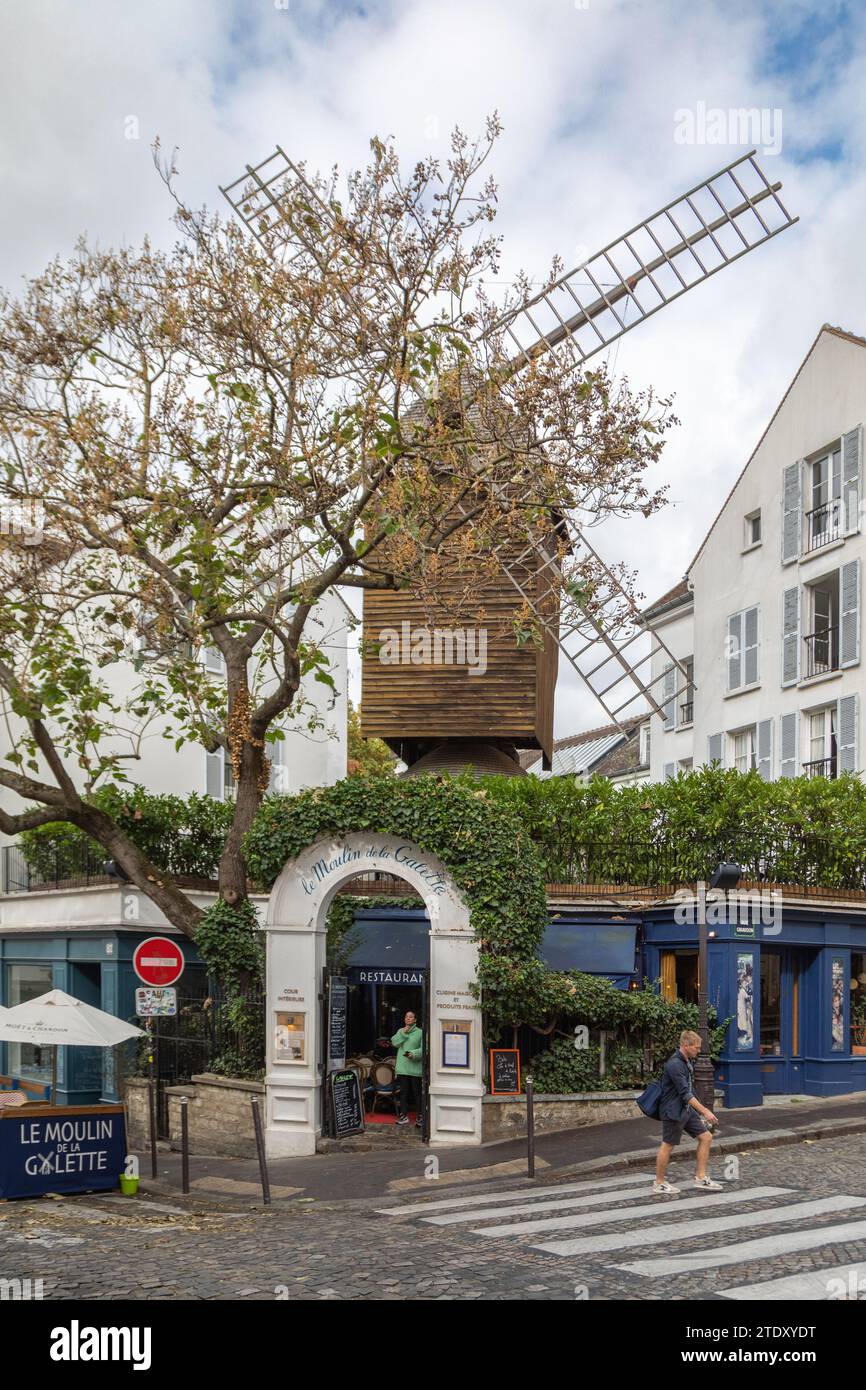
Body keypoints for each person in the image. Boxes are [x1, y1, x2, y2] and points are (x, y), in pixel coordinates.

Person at [653, 1028, 722, 1194]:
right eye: (696, 1047)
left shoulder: (686, 1062)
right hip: (673, 1111)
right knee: (668, 1145)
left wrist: (697, 1111)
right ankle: (659, 1183)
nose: (699, 1051)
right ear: (685, 1045)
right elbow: (685, 1093)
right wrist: (705, 1111)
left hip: (685, 1109)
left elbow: (690, 1090)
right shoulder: (675, 1064)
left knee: (706, 1137)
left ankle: (700, 1177)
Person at [392, 1010, 423, 1127]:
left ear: (415, 1020)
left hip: (415, 1069)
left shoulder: (420, 1032)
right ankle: (403, 1116)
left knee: (417, 1093)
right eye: (406, 1017)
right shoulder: (401, 1031)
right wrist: (403, 1033)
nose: (408, 1018)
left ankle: (420, 1116)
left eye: (410, 1017)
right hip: (403, 1068)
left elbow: (424, 1048)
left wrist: (413, 1054)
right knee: (403, 1093)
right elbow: (394, 1042)